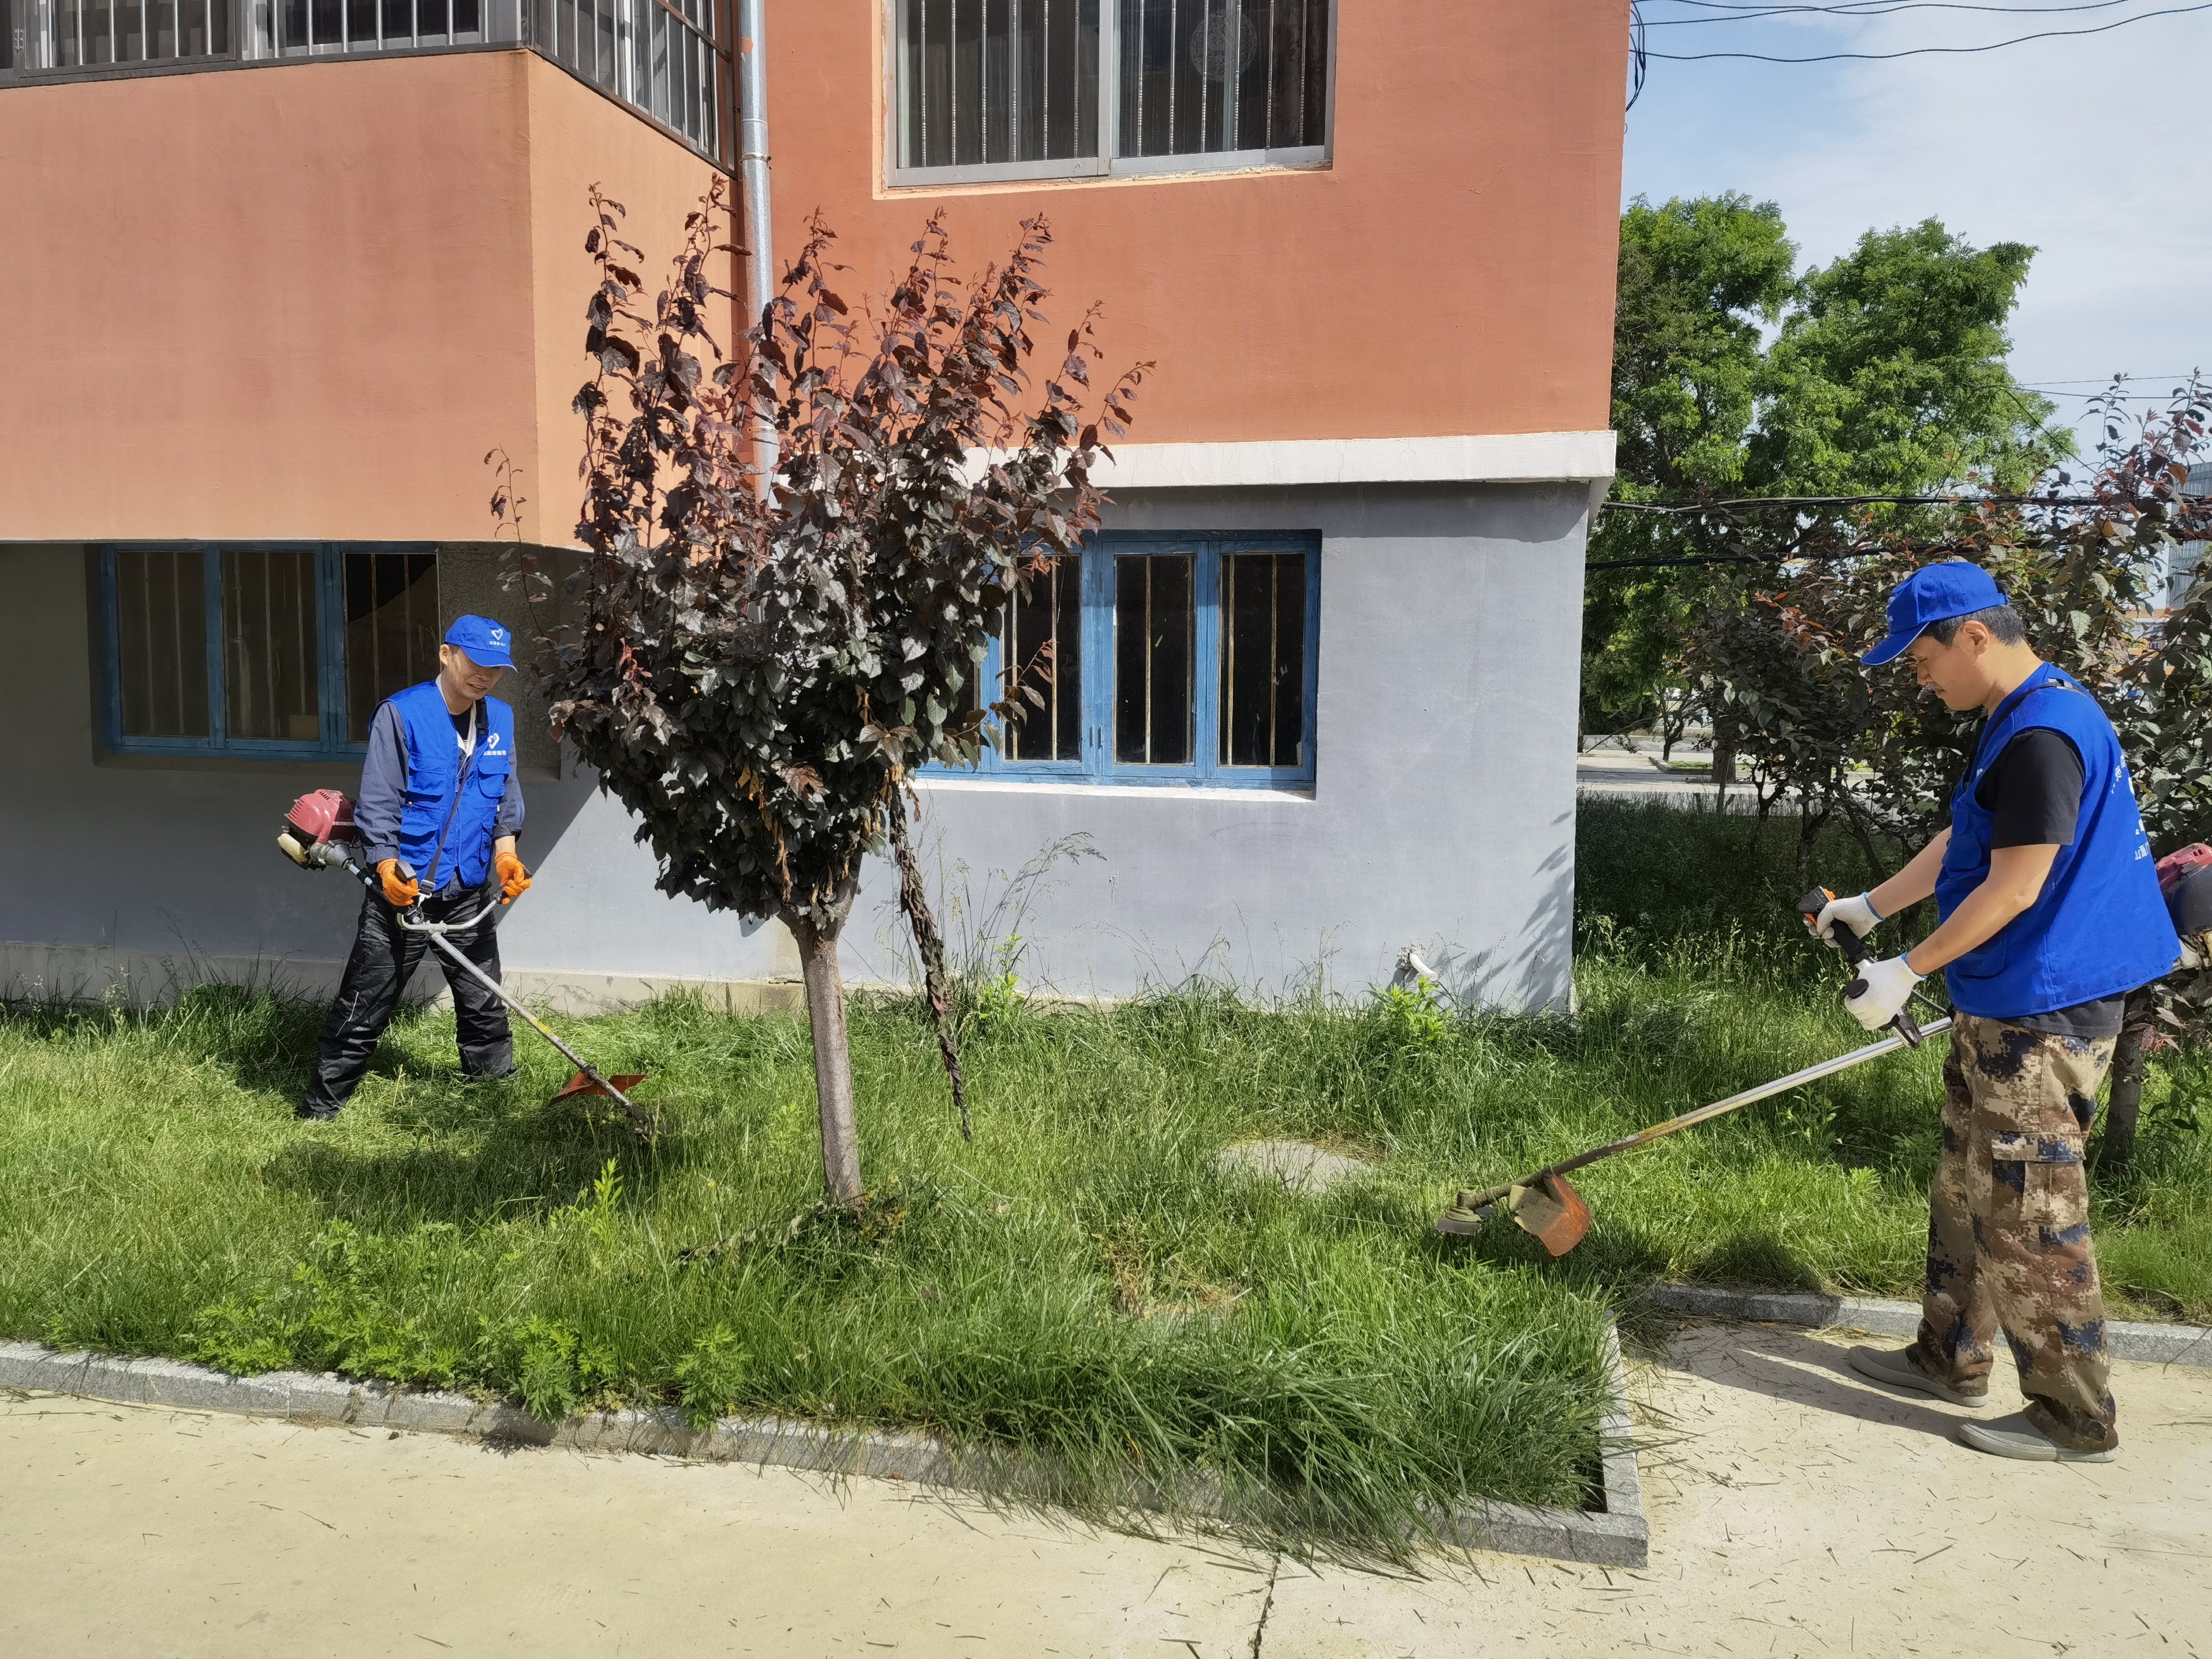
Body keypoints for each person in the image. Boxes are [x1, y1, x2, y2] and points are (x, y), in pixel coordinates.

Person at [1810, 562, 2179, 1465]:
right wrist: (1872, 907)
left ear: (1974, 635)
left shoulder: (2046, 734)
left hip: (2046, 1013)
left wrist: (1906, 970)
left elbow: (2016, 887)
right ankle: (1950, 1355)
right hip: (2005, 1001)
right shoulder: (2017, 715)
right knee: (1966, 1186)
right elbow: (1967, 841)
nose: (1920, 678)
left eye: (1922, 659)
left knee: (2029, 1211)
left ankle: (2074, 1416)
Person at [300, 616, 535, 1120]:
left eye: (496, 668)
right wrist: (385, 866)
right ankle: (322, 1109)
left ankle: (495, 1100)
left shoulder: (501, 719)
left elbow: (504, 799)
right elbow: (379, 802)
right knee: (365, 1004)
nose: (485, 676)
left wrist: (506, 856)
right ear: (447, 654)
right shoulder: (402, 713)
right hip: (404, 891)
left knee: (483, 1001)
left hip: (468, 889)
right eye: (476, 663)